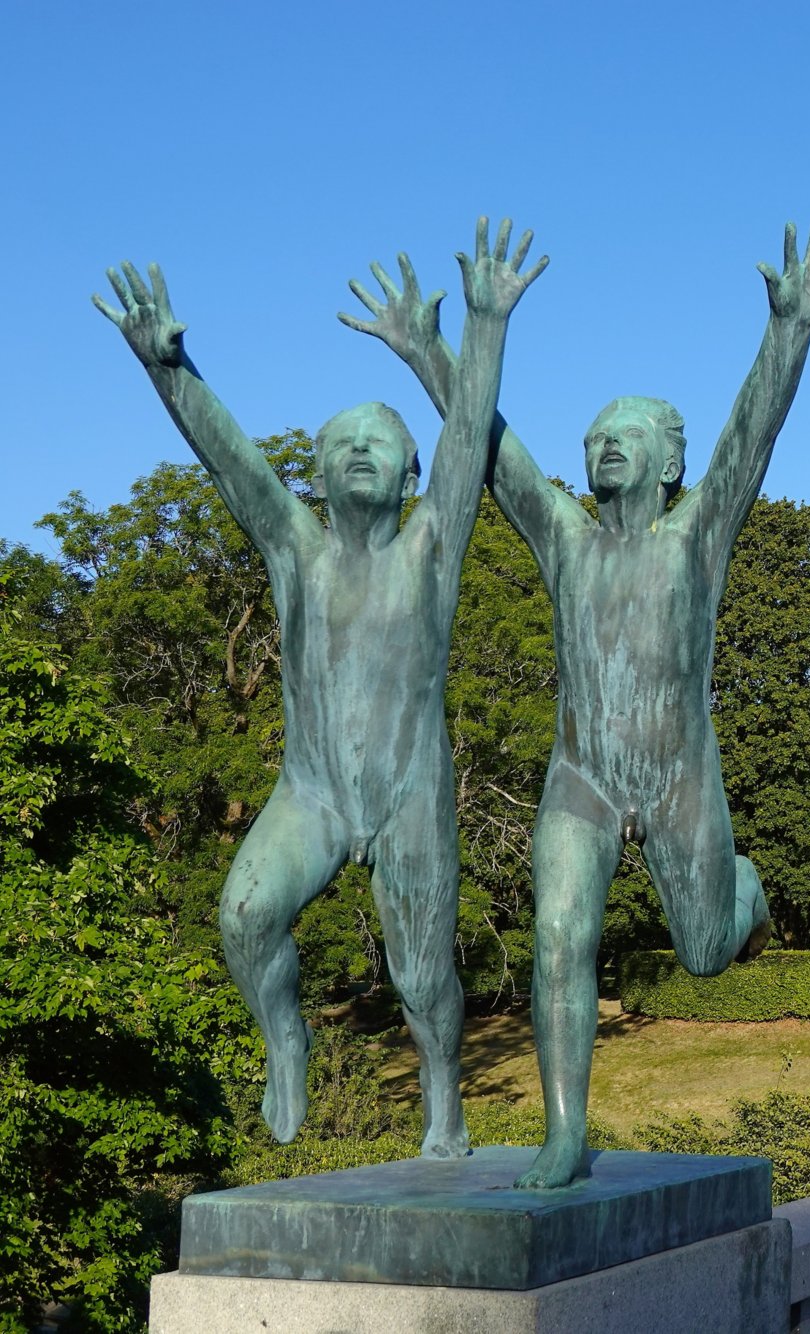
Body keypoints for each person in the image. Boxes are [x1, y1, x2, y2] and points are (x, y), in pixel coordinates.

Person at [347, 224, 810, 1187]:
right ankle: (566, 1132)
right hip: (579, 778)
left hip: (677, 778)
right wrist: (429, 347)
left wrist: (789, 331)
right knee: (557, 938)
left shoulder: (696, 535)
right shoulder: (567, 542)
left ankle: (742, 888)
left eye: (624, 437)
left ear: (669, 461)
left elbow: (751, 433)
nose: (602, 447)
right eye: (594, 440)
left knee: (707, 951)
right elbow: (489, 452)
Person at [94, 221, 544, 1157]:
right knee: (245, 913)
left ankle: (444, 1114)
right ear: (317, 475)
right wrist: (168, 370)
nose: (360, 454)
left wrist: (486, 323)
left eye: (380, 445)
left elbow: (469, 438)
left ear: (414, 473)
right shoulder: (294, 549)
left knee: (424, 979)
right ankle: (286, 1037)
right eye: (342, 446)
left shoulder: (431, 546)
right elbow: (230, 460)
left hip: (411, 792)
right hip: (314, 794)